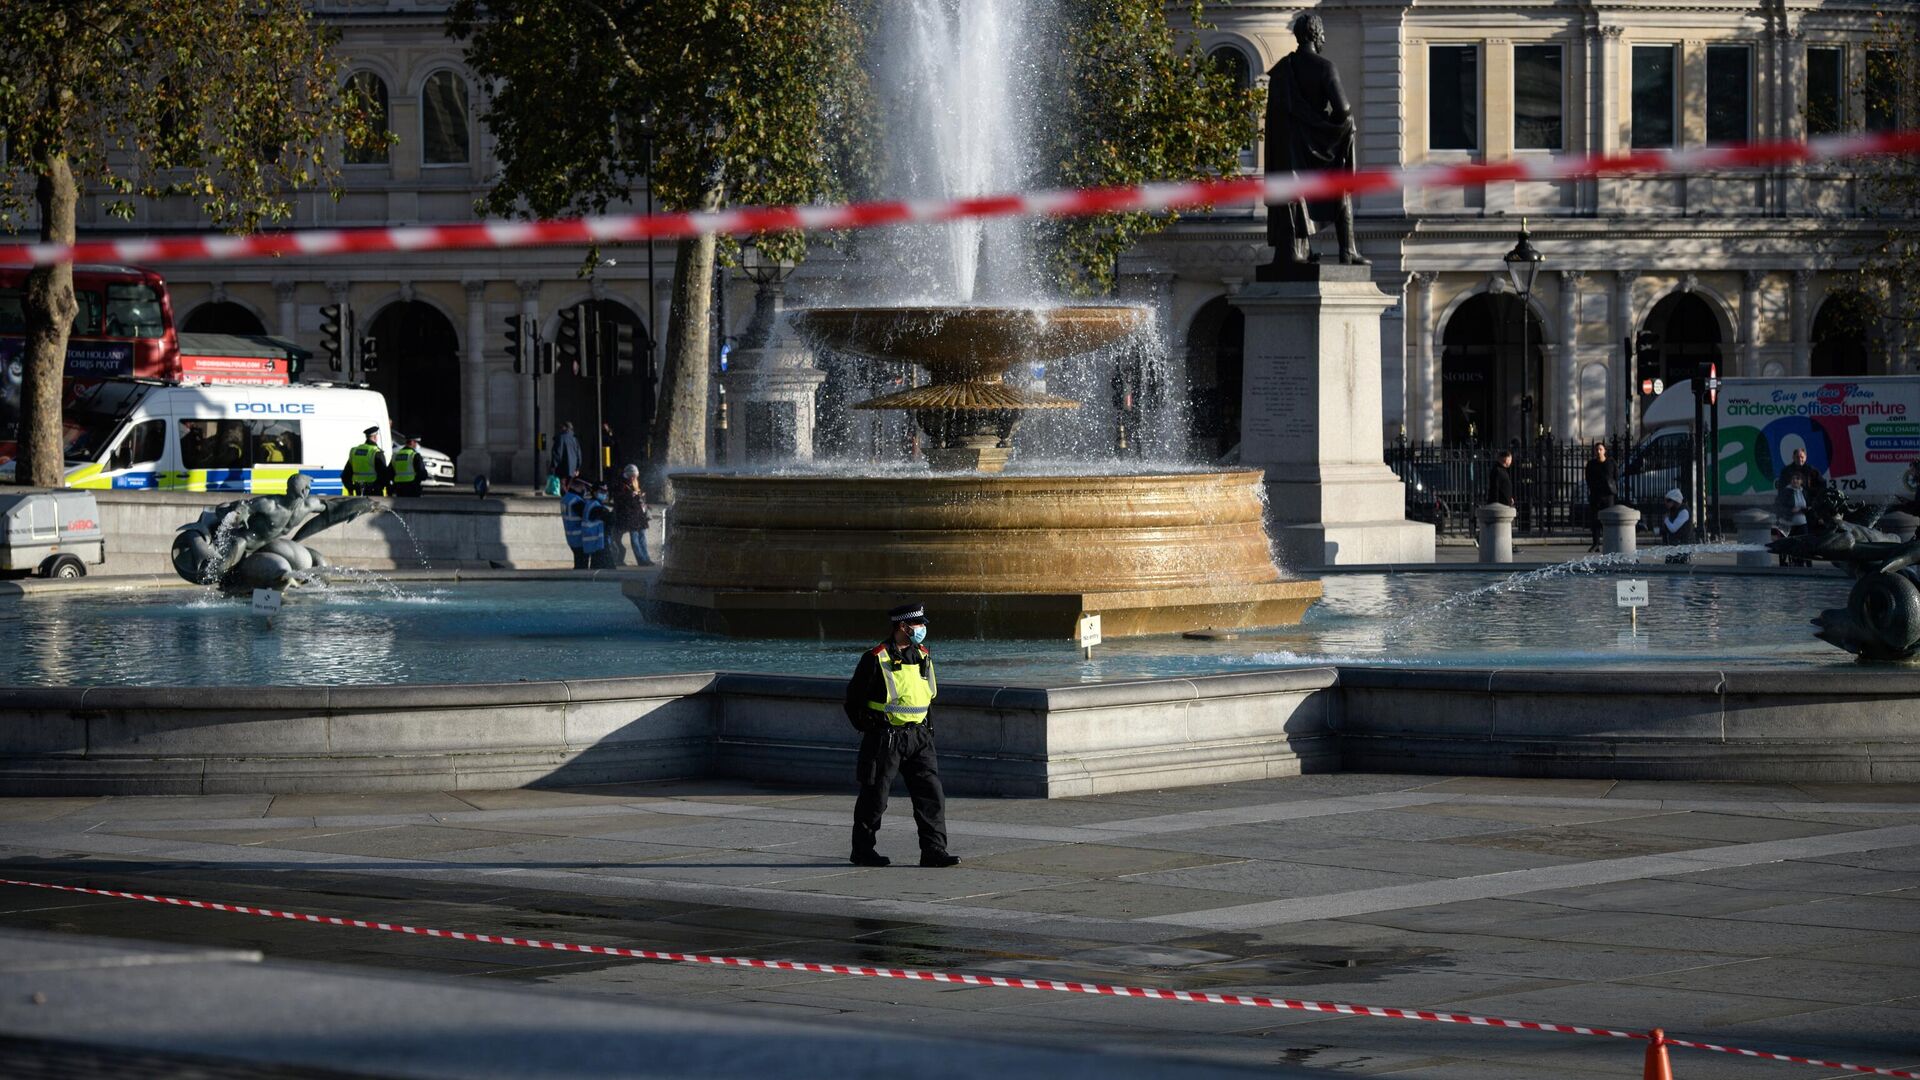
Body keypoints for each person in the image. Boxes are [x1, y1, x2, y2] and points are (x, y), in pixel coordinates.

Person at [843, 602, 959, 869]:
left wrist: (927, 730)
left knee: (931, 795)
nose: (921, 630)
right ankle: (862, 851)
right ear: (903, 627)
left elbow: (927, 697)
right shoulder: (876, 657)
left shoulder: (923, 655)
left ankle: (933, 850)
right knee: (875, 797)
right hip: (887, 738)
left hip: (919, 738)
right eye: (917, 626)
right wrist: (873, 728)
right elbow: (853, 701)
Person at [1262, 13, 1366, 269]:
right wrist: (1336, 127)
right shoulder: (1324, 67)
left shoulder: (1280, 72)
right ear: (1317, 34)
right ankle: (1347, 251)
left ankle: (1294, 250)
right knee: (1341, 183)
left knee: (1293, 196)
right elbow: (1343, 109)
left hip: (1288, 152)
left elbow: (1275, 118)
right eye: (1323, 33)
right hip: (1316, 147)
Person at [611, 463, 653, 566]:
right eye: (631, 475)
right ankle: (641, 560)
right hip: (629, 514)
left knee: (642, 537)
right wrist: (630, 495)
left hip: (638, 514)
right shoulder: (621, 485)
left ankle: (646, 558)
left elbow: (640, 498)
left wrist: (643, 501)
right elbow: (618, 499)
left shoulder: (636, 483)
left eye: (635, 475)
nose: (633, 478)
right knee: (635, 537)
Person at [1775, 470, 1814, 567]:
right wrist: (1791, 510)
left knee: (1804, 543)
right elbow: (1779, 507)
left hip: (1801, 522)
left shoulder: (1804, 492)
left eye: (1797, 479)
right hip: (1788, 523)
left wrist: (1807, 509)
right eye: (1793, 479)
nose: (1795, 481)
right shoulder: (1786, 492)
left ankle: (1802, 563)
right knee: (1787, 545)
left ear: (1801, 481)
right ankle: (1784, 564)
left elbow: (1808, 504)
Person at [1584, 442, 1617, 552]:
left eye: (1600, 449)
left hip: (1608, 495)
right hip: (1595, 495)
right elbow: (1588, 478)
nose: (1598, 452)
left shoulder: (1610, 463)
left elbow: (1615, 476)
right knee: (1595, 520)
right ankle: (1596, 543)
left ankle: (1608, 542)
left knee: (1608, 520)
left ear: (1604, 451)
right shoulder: (1591, 464)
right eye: (1596, 450)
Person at [341, 426, 389, 496]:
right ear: (375, 437)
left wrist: (350, 488)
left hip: (358, 490)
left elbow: (346, 474)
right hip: (374, 491)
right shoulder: (376, 452)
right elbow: (384, 474)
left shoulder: (354, 451)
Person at [559, 478, 593, 569]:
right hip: (580, 539)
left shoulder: (565, 498)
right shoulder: (576, 501)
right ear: (580, 486)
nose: (585, 490)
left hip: (571, 538)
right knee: (582, 567)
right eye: (585, 487)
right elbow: (589, 516)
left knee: (578, 564)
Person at [586, 482, 618, 569]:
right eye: (602, 491)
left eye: (606, 491)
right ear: (594, 492)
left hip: (596, 542)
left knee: (597, 568)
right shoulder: (595, 506)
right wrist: (612, 513)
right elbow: (611, 519)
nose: (605, 493)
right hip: (599, 543)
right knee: (608, 569)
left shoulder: (591, 503)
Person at [1660, 487, 1696, 564]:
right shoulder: (1673, 510)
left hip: (1682, 546)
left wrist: (1666, 520)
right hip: (1674, 546)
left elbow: (1673, 528)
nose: (1665, 503)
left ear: (1674, 501)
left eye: (1668, 501)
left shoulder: (1684, 511)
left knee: (1679, 567)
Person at [549, 421, 583, 491]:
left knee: (563, 485)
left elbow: (557, 453)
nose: (561, 428)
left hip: (562, 467)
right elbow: (578, 454)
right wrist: (577, 468)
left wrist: (553, 465)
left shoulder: (561, 438)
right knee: (568, 485)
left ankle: (565, 499)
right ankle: (566, 498)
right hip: (572, 468)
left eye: (563, 427)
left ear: (566, 428)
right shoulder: (574, 439)